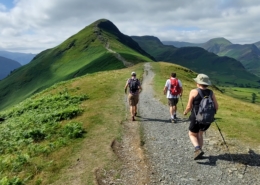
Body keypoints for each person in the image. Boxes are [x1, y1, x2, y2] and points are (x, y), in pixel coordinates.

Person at [183, 74, 218, 160]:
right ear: (207, 84)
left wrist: (185, 112)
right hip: (207, 119)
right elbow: (216, 106)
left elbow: (189, 106)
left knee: (192, 134)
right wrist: (211, 114)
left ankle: (197, 149)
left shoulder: (194, 91)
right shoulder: (211, 93)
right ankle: (200, 151)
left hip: (196, 118)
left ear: (198, 83)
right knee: (200, 134)